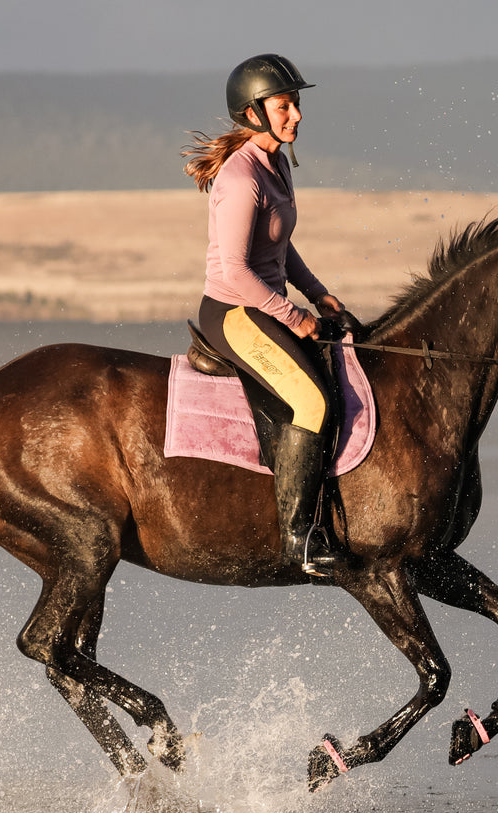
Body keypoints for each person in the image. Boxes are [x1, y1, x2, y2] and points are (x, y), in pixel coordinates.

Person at [182, 53, 351, 578]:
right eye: (284, 105)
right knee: (313, 402)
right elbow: (233, 271)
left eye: (296, 104)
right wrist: (292, 314)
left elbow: (280, 246)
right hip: (234, 312)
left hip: (264, 305)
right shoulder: (240, 179)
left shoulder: (275, 163)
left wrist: (319, 295)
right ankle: (300, 539)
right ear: (253, 112)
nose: (296, 114)